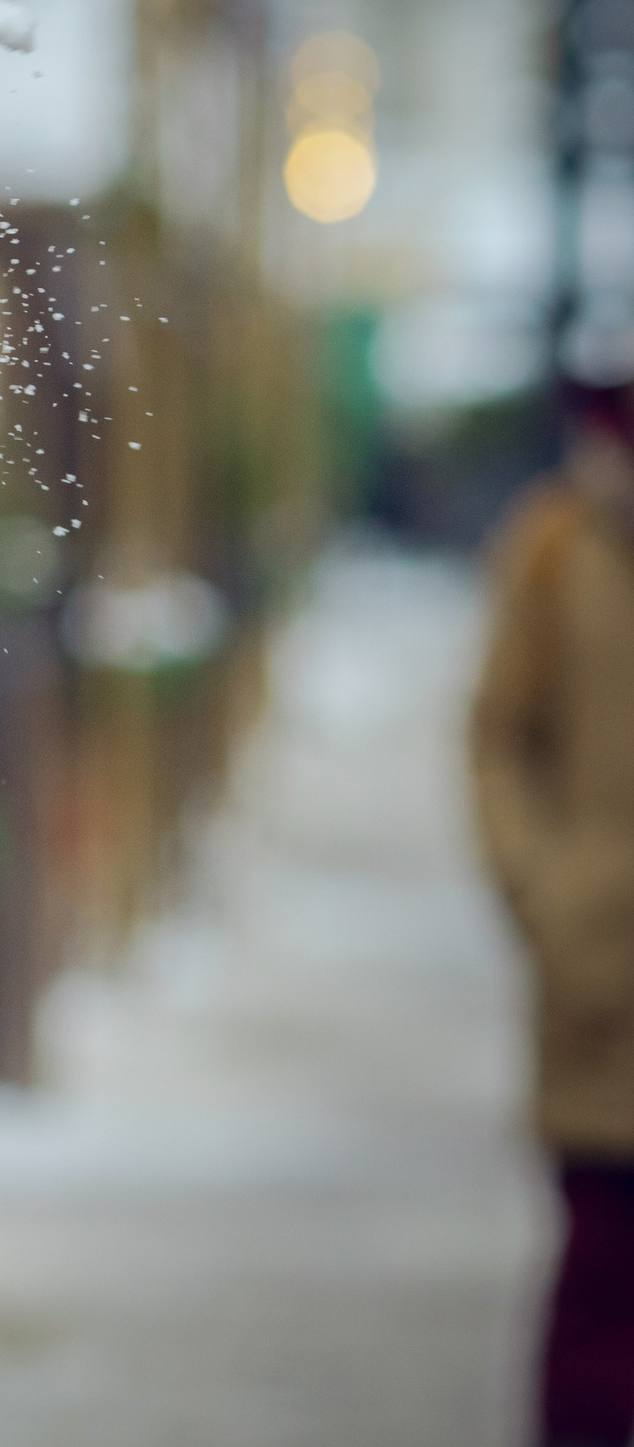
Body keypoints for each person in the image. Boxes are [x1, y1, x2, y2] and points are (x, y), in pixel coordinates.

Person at [472, 344, 634, 1447]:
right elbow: (496, 735)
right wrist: (544, 888)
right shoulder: (559, 546)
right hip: (605, 979)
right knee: (601, 1287)